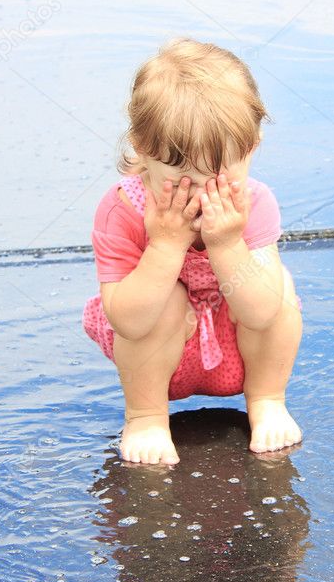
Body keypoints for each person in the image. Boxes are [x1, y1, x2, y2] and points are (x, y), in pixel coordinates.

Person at [82, 37, 303, 465]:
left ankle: (268, 401)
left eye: (219, 176)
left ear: (252, 148)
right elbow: (126, 320)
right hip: (159, 352)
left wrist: (226, 244)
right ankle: (146, 417)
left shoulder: (256, 203)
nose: (203, 192)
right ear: (144, 150)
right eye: (182, 176)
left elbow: (261, 314)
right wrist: (164, 246)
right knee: (163, 298)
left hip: (236, 347)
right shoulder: (122, 209)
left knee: (276, 290)